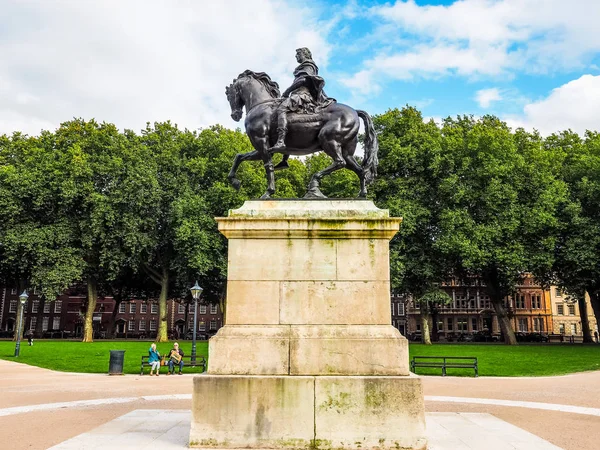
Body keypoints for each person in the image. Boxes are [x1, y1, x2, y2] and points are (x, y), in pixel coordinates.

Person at [270, 47, 335, 152]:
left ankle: (281, 141)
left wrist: (287, 91)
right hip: (298, 95)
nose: (296, 56)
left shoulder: (308, 65)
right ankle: (285, 158)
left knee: (281, 109)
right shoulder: (304, 67)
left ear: (305, 54)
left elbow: (303, 80)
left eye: (298, 54)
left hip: (302, 95)